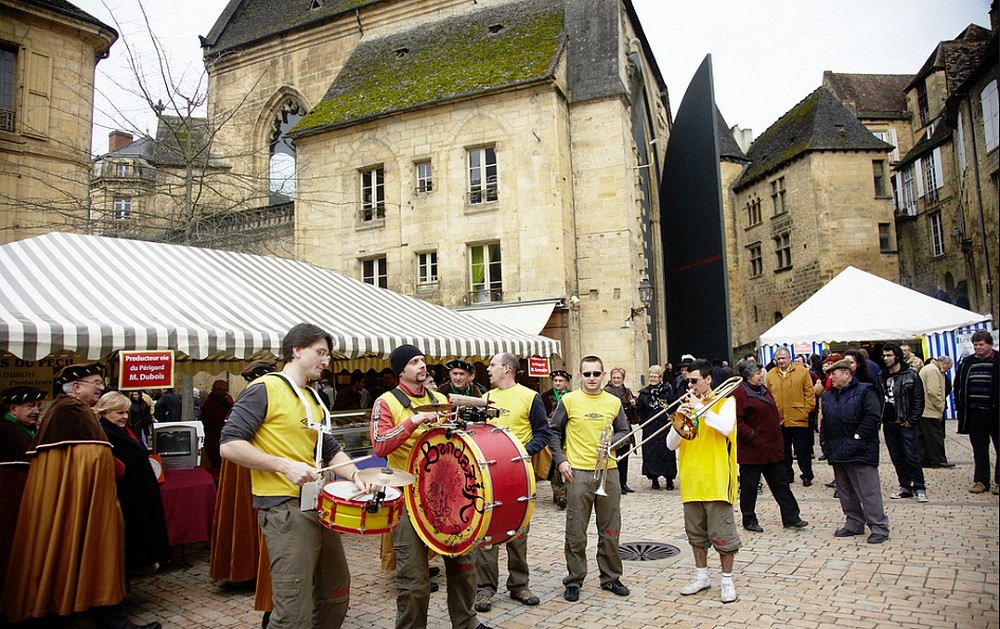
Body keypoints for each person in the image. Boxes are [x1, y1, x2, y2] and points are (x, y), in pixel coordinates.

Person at [220, 323, 370, 629]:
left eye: (327, 354)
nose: (326, 360)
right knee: (293, 608)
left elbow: (327, 446)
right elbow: (229, 445)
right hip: (284, 509)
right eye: (320, 352)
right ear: (296, 350)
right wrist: (284, 465)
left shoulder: (312, 398)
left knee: (336, 591)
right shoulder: (264, 388)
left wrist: (356, 475)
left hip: (318, 506)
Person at [1, 362, 160, 629]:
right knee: (93, 554)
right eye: (95, 382)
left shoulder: (62, 411)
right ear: (76, 387)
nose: (100, 387)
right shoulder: (75, 411)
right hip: (85, 503)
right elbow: (95, 461)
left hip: (70, 503)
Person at [370, 344, 491, 629]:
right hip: (407, 497)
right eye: (414, 362)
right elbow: (379, 444)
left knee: (463, 566)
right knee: (413, 580)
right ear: (401, 370)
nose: (422, 365)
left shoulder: (439, 398)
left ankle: (466, 621)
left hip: (445, 495)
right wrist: (414, 421)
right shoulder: (386, 402)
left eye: (423, 360)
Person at [472, 353, 550, 612]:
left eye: (493, 365)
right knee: (487, 530)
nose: (489, 369)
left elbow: (543, 433)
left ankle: (519, 585)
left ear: (507, 368)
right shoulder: (483, 399)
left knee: (518, 531)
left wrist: (521, 454)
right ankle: (484, 589)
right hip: (488, 476)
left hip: (519, 476)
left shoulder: (530, 397)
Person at [548, 355, 630, 603]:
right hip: (578, 473)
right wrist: (561, 460)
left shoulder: (614, 402)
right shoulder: (569, 400)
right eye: (587, 374)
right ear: (581, 375)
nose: (592, 378)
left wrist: (611, 442)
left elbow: (625, 431)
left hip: (609, 471)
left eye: (596, 373)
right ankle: (574, 580)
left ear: (603, 375)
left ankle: (611, 577)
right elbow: (553, 432)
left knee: (610, 529)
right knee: (576, 531)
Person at [667, 359, 741, 604]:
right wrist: (681, 418)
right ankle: (701, 576)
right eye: (688, 380)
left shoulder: (726, 402)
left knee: (723, 537)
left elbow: (726, 427)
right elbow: (670, 445)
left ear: (708, 379)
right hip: (691, 481)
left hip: (717, 479)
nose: (690, 385)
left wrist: (702, 408)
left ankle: (727, 580)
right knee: (696, 535)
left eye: (694, 380)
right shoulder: (685, 404)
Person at [210, 359, 276, 624]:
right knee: (248, 519)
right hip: (255, 475)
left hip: (255, 474)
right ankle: (250, 568)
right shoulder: (254, 402)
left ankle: (248, 567)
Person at [95, 391, 170, 575]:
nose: (125, 417)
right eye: (119, 413)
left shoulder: (121, 430)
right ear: (105, 412)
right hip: (128, 494)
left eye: (126, 413)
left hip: (139, 492)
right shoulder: (104, 433)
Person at [732, 359, 807, 533]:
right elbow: (737, 420)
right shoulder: (740, 392)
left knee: (780, 484)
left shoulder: (763, 390)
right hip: (752, 450)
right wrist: (751, 435)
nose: (761, 375)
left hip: (771, 448)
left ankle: (791, 517)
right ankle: (749, 519)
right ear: (749, 375)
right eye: (758, 373)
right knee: (749, 487)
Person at [819, 358, 889, 544]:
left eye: (833, 374)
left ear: (846, 373)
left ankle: (879, 526)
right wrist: (825, 443)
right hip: (837, 449)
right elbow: (825, 420)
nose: (831, 377)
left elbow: (872, 417)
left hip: (860, 449)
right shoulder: (828, 395)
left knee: (868, 490)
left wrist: (857, 437)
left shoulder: (865, 391)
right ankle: (854, 522)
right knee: (845, 490)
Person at [880, 343, 927, 502]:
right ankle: (905, 485)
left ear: (897, 356)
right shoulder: (882, 376)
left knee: (911, 455)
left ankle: (919, 486)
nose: (886, 359)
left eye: (889, 355)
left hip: (905, 421)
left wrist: (912, 420)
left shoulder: (911, 375)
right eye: (884, 356)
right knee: (896, 456)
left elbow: (918, 400)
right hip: (889, 422)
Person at [955, 330, 999, 495]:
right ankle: (981, 481)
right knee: (979, 449)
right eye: (975, 345)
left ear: (990, 344)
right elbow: (958, 385)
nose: (978, 348)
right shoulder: (967, 362)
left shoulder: (998, 360)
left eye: (981, 344)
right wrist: (960, 406)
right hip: (975, 413)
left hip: (995, 412)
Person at [766, 347, 817, 487]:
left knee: (802, 450)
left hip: (799, 417)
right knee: (784, 450)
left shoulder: (802, 372)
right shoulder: (771, 375)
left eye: (783, 358)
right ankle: (788, 475)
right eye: (778, 358)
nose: (781, 361)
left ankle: (807, 474)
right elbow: (768, 396)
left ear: (790, 358)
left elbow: (809, 393)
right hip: (780, 419)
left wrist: (806, 410)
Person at [636, 365, 675, 490]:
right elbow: (640, 410)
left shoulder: (668, 390)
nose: (652, 379)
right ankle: (654, 479)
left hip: (664, 425)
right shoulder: (644, 393)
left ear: (660, 377)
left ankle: (669, 479)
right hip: (650, 427)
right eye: (651, 376)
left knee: (667, 451)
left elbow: (673, 405)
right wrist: (642, 422)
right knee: (651, 453)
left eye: (655, 376)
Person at [603, 367, 639, 493]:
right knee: (615, 457)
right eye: (614, 378)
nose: (616, 380)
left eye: (618, 378)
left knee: (624, 456)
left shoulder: (627, 391)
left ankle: (623, 483)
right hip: (614, 427)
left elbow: (635, 404)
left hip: (626, 427)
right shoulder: (606, 391)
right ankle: (616, 484)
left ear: (623, 379)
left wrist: (634, 403)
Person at [917, 356, 956, 468]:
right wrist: (941, 406)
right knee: (935, 436)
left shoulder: (929, 368)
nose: (947, 371)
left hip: (924, 409)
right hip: (930, 409)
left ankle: (925, 459)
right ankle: (938, 459)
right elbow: (934, 391)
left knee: (924, 437)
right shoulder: (933, 371)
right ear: (943, 363)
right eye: (948, 368)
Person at [541, 369, 572, 508]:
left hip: (569, 434)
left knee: (568, 462)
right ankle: (560, 495)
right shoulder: (545, 397)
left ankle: (563, 493)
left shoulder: (572, 396)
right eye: (555, 381)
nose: (558, 383)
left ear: (566, 383)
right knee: (554, 464)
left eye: (560, 381)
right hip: (552, 433)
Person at [0, 385, 45, 462]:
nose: (37, 411)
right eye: (31, 406)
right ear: (13, 409)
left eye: (39, 406)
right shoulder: (6, 431)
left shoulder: (26, 427)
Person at [202, 379, 234, 468]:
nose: (222, 393)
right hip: (215, 445)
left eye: (224, 390)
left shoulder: (226, 403)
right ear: (214, 390)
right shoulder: (209, 404)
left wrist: (232, 405)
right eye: (219, 390)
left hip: (226, 443)